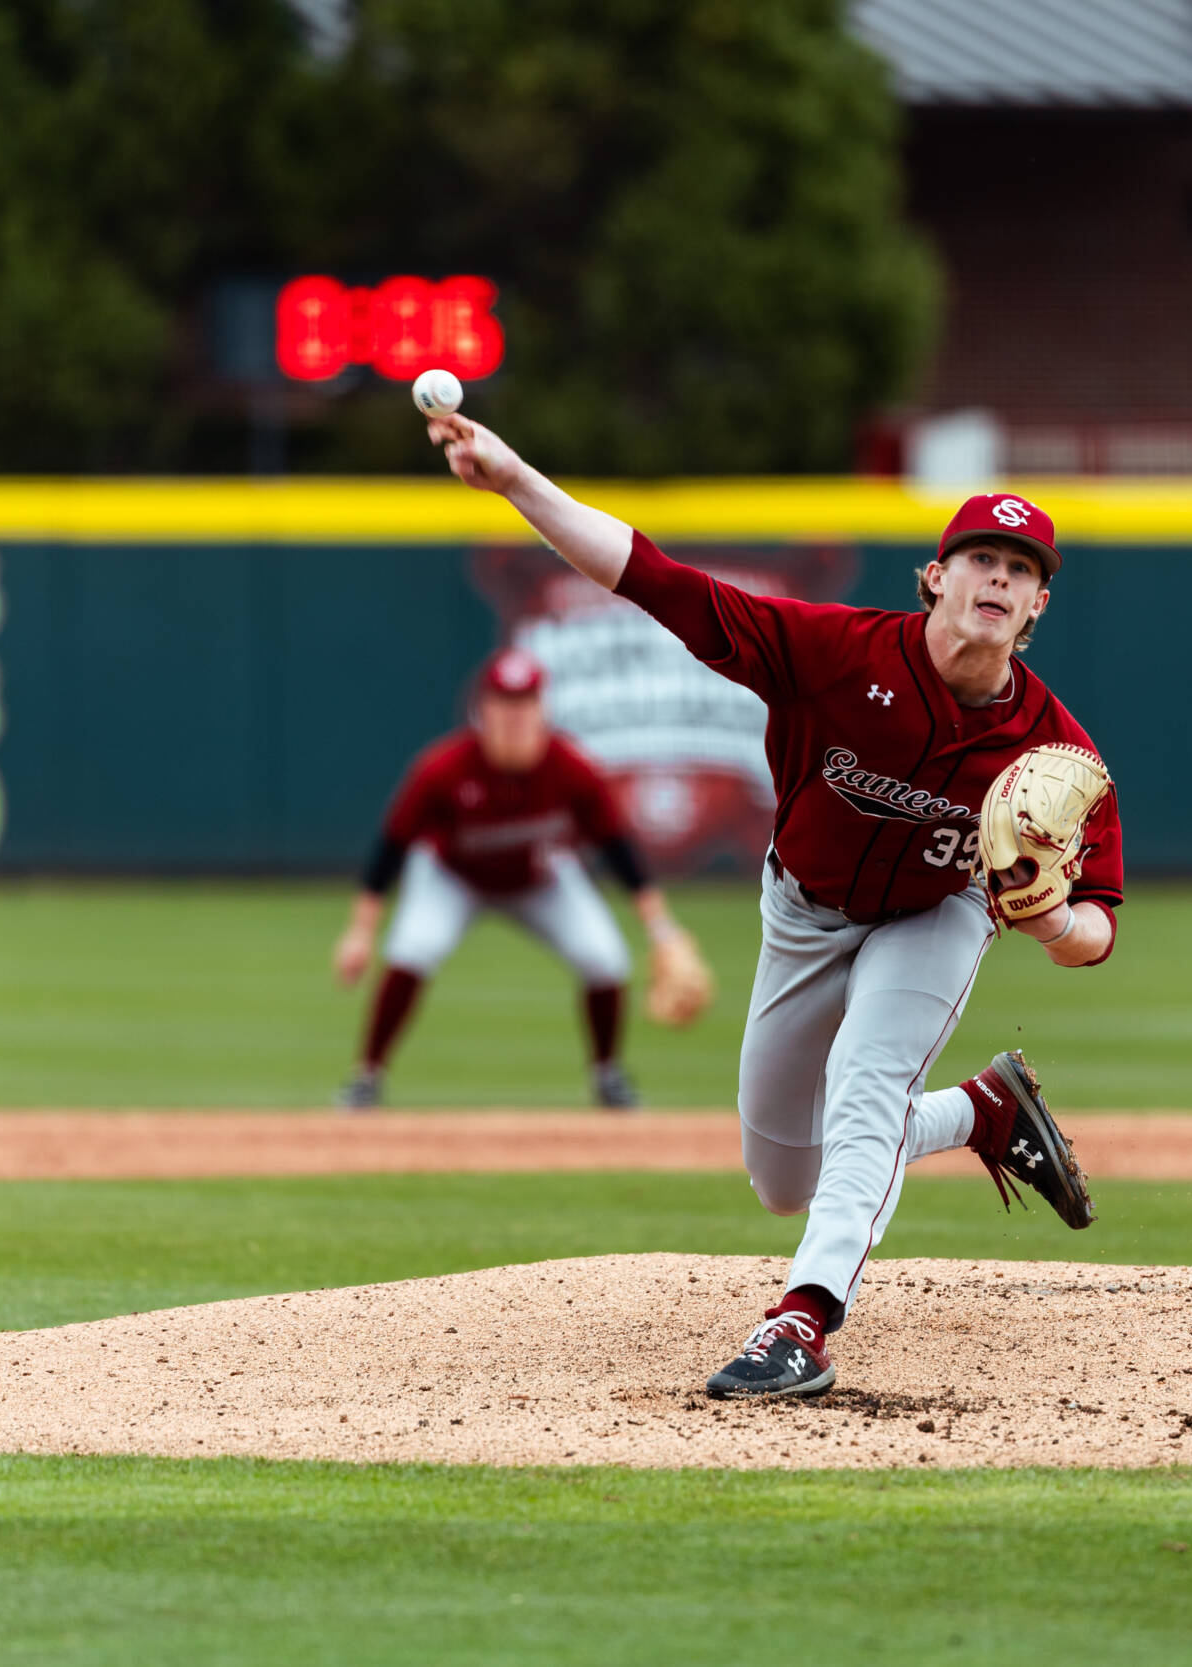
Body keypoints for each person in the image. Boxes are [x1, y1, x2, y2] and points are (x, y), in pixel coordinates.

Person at [424, 410, 1120, 1400]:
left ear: (1039, 603)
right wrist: (514, 479)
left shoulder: (1057, 754)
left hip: (935, 914)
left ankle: (801, 1321)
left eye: (1019, 568)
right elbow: (649, 575)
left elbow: (1094, 929)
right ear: (934, 576)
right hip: (802, 911)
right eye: (979, 558)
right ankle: (978, 1109)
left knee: (868, 1082)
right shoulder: (831, 651)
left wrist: (1049, 917)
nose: (997, 579)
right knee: (782, 1174)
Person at [333, 647, 690, 1111]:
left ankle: (608, 1076)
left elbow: (618, 850)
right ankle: (367, 1076)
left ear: (543, 709)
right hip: (452, 877)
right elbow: (392, 847)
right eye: (504, 704)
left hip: (540, 877)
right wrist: (360, 932)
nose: (515, 717)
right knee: (412, 950)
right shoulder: (442, 769)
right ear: (482, 710)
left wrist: (662, 930)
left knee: (606, 959)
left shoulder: (572, 768)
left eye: (525, 704)